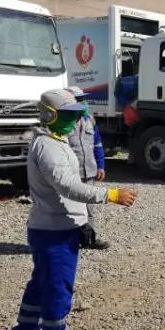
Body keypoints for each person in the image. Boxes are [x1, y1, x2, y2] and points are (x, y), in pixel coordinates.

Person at [8, 89, 137, 330]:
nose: (75, 121)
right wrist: (110, 195)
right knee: (57, 288)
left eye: (76, 115)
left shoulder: (55, 140)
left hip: (53, 227)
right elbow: (67, 186)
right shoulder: (49, 147)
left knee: (41, 284)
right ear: (49, 115)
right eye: (68, 115)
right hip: (54, 232)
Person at [66, 85, 110, 250]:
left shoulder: (89, 119)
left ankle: (88, 240)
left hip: (89, 171)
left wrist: (101, 165)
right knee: (70, 207)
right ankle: (68, 240)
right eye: (79, 100)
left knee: (89, 207)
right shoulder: (64, 124)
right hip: (71, 174)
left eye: (83, 99)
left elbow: (97, 144)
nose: (83, 102)